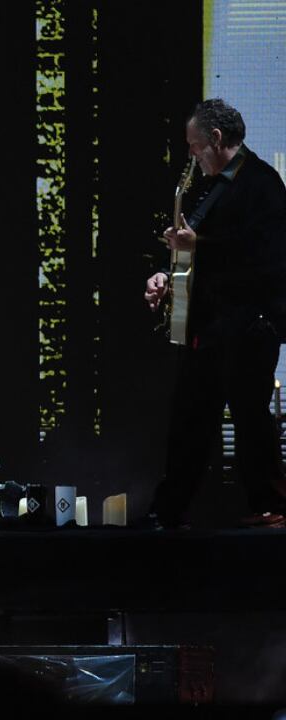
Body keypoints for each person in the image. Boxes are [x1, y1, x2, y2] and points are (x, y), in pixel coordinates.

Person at [143, 99, 286, 529]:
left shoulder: (263, 184)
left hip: (248, 327)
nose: (191, 155)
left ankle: (267, 505)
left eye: (194, 146)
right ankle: (169, 511)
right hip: (209, 327)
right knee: (188, 418)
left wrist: (198, 247)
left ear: (216, 140)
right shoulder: (204, 186)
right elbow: (196, 250)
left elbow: (267, 258)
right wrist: (167, 275)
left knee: (249, 417)